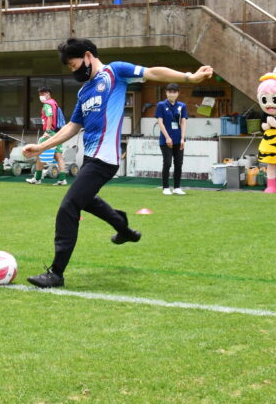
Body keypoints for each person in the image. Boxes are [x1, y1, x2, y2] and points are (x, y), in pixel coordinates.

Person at [20, 37, 214, 288]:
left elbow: (153, 72)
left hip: (106, 159)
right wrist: (41, 147)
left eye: (74, 64)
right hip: (90, 158)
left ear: (88, 56)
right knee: (87, 200)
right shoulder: (84, 91)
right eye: (69, 67)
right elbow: (72, 126)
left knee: (69, 205)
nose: (73, 70)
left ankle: (56, 273)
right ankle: (123, 228)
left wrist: (190, 77)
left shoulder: (115, 72)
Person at [26, 86, 68, 186]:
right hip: (58, 132)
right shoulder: (54, 103)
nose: (41, 96)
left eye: (43, 94)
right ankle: (62, 179)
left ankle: (37, 178)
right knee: (58, 156)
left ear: (48, 94)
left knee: (40, 153)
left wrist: (47, 131)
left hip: (50, 132)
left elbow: (49, 117)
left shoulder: (47, 105)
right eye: (40, 94)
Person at [156, 83, 188, 195]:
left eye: (174, 92)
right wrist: (167, 137)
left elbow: (183, 121)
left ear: (178, 93)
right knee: (167, 163)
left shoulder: (182, 106)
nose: (172, 94)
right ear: (166, 92)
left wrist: (182, 138)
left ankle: (177, 187)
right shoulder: (161, 105)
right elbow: (160, 122)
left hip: (178, 139)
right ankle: (165, 187)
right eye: (170, 92)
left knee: (178, 164)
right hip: (165, 140)